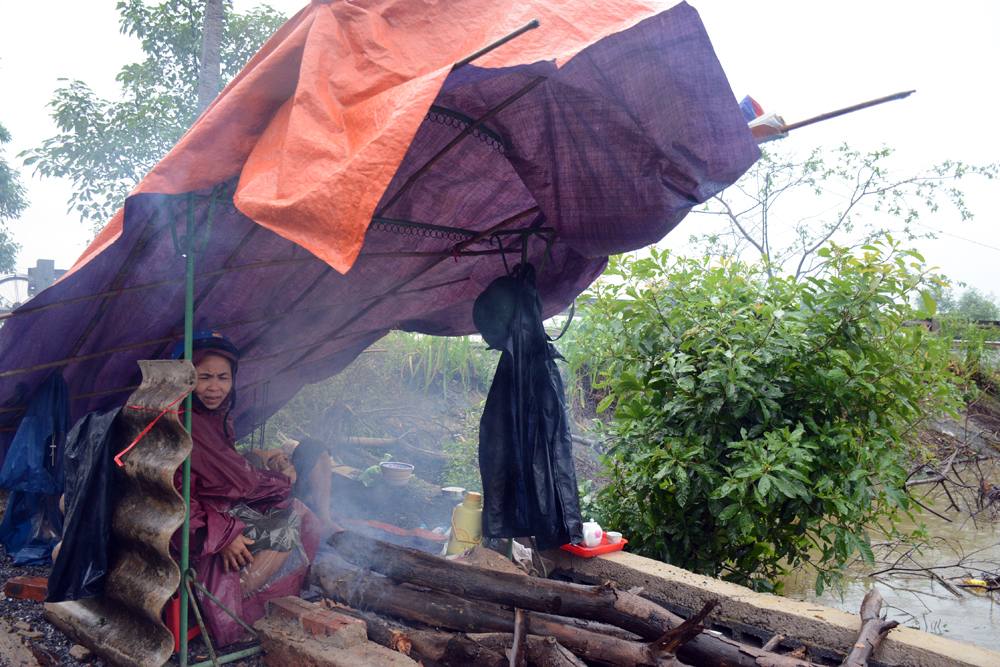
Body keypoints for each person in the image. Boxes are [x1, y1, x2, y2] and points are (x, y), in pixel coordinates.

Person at [168, 331, 336, 647]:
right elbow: (178, 497)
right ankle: (228, 603)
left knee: (293, 509)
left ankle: (240, 593)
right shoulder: (178, 424)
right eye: (204, 377)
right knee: (293, 523)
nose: (214, 387)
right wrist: (224, 536)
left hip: (216, 518)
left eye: (223, 377)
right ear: (187, 377)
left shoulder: (216, 419)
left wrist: (268, 476)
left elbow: (223, 477)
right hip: (196, 536)